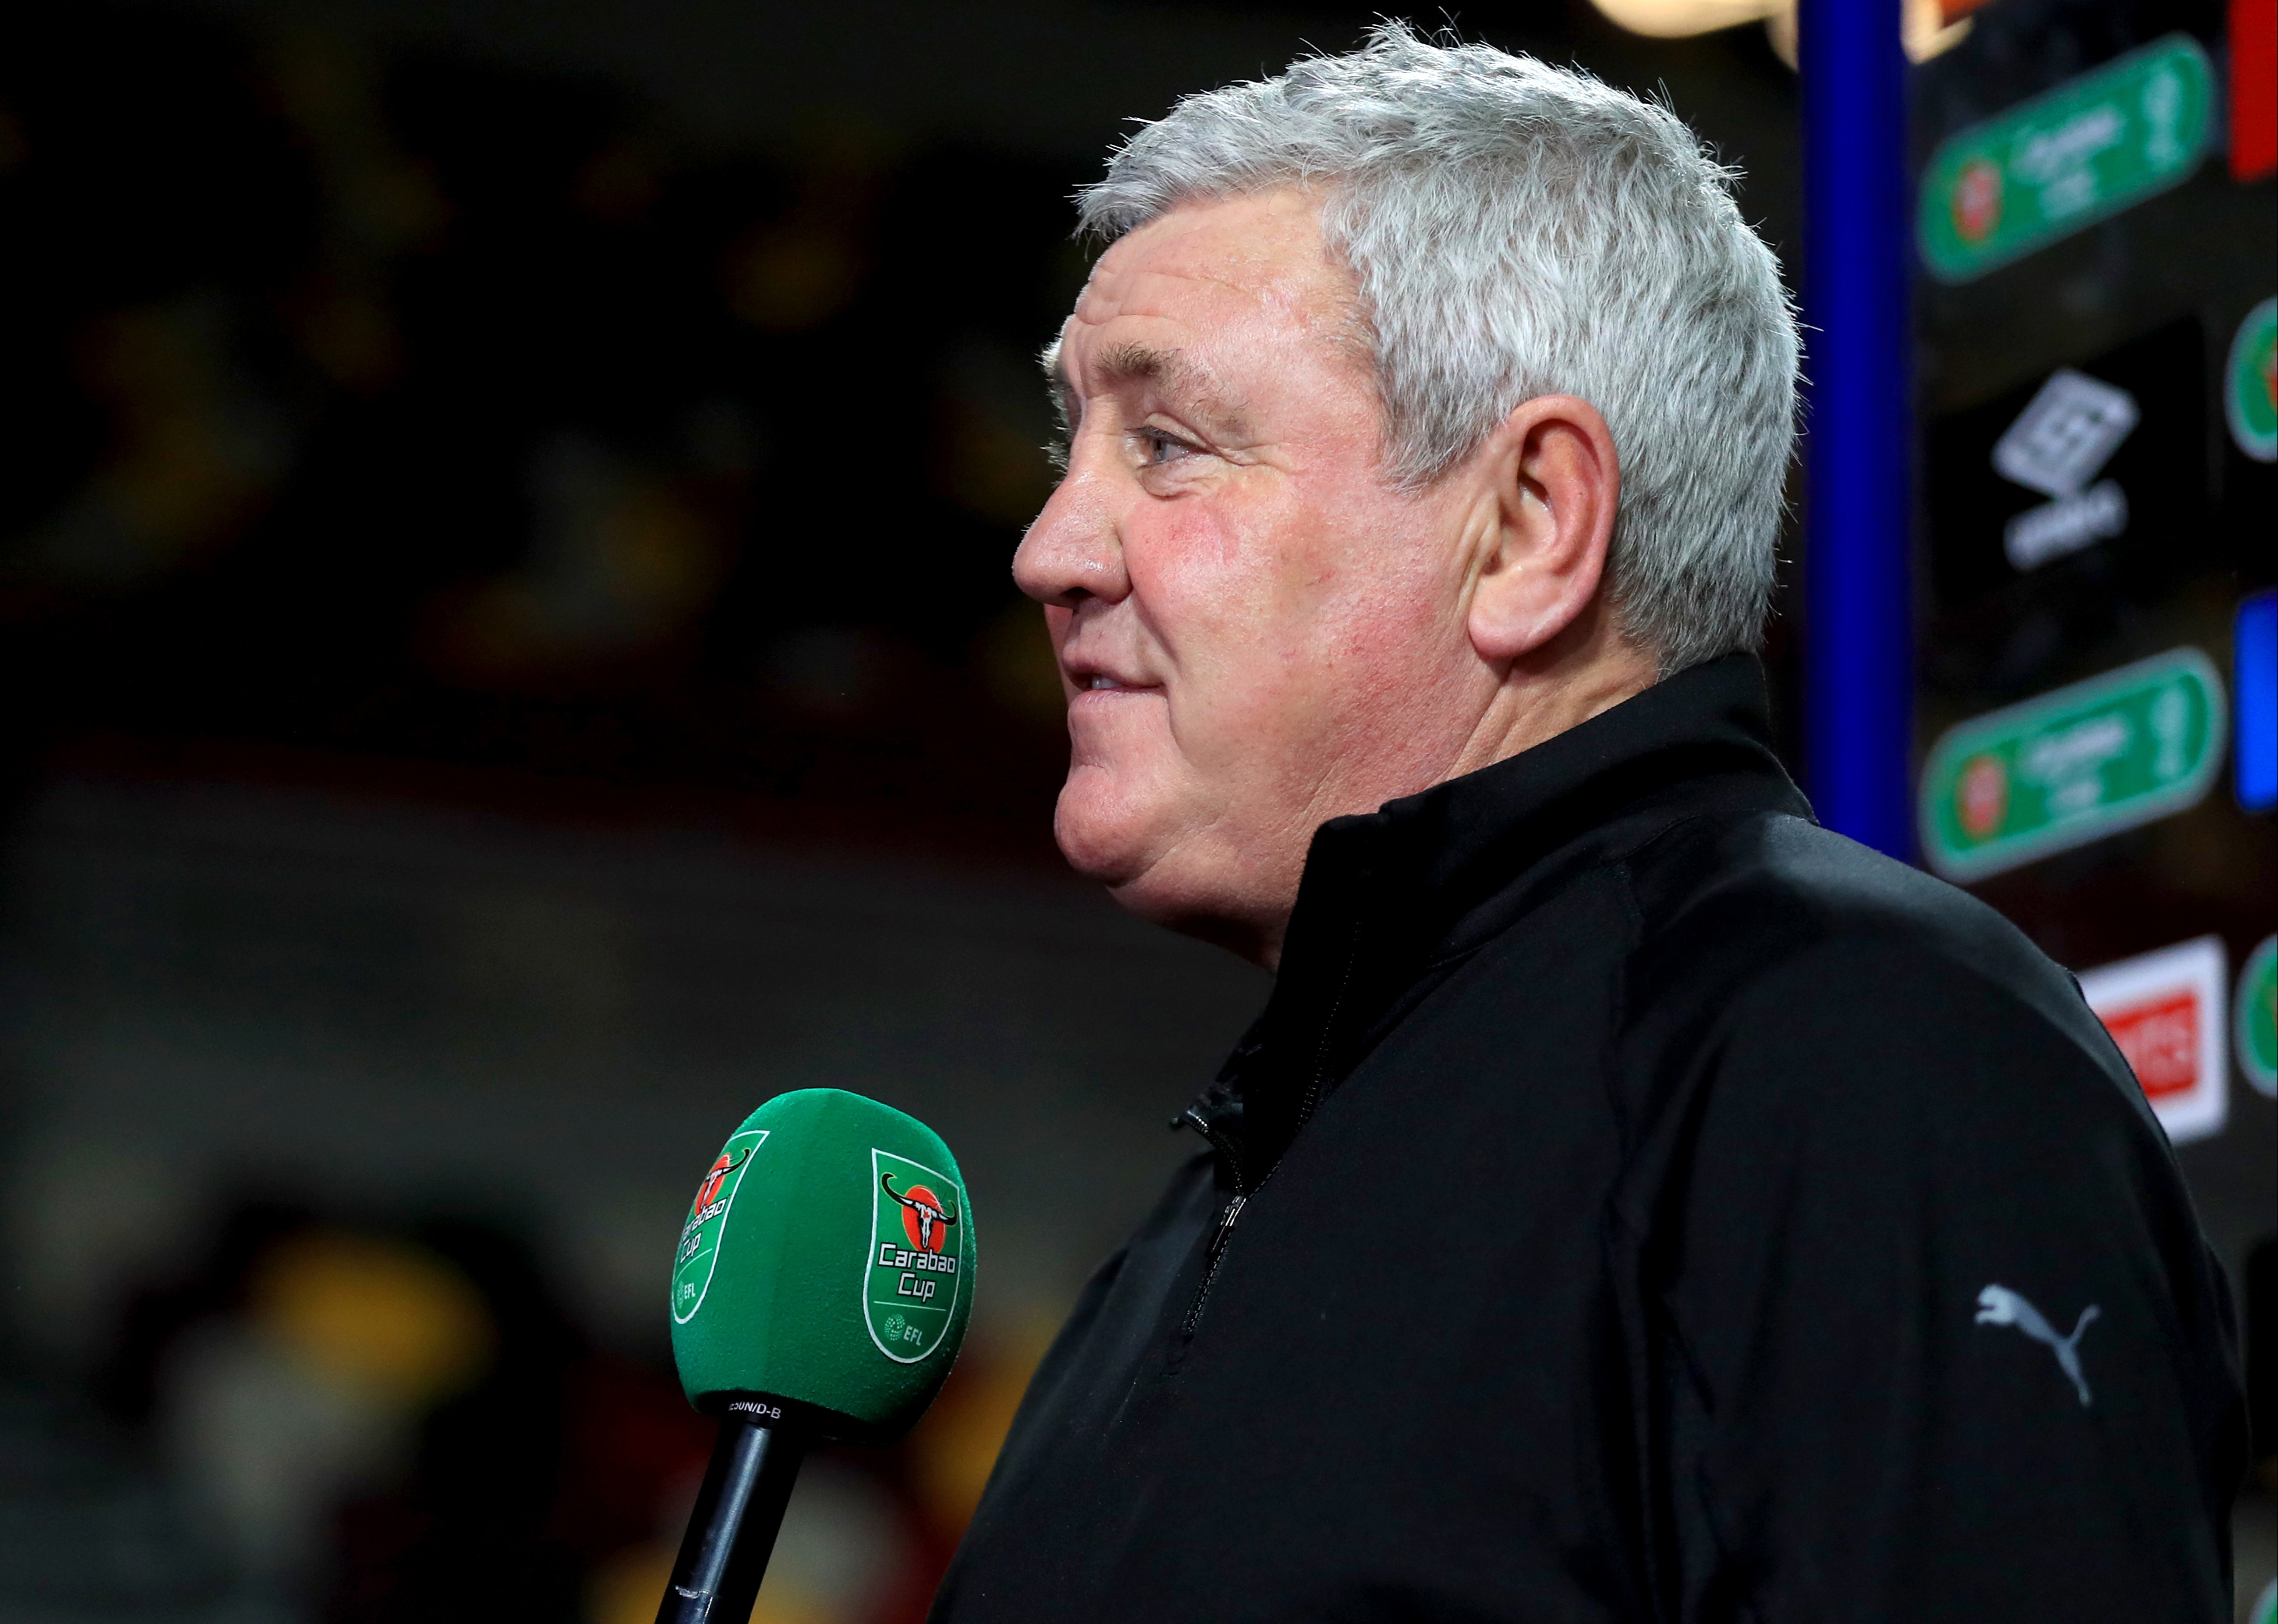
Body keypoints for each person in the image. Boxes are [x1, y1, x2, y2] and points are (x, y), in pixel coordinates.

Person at [933, 26, 2246, 1622]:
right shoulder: (1227, 1199)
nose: (1051, 547)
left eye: (1167, 445)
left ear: (1529, 526)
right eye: (1070, 445)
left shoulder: (1869, 1060)